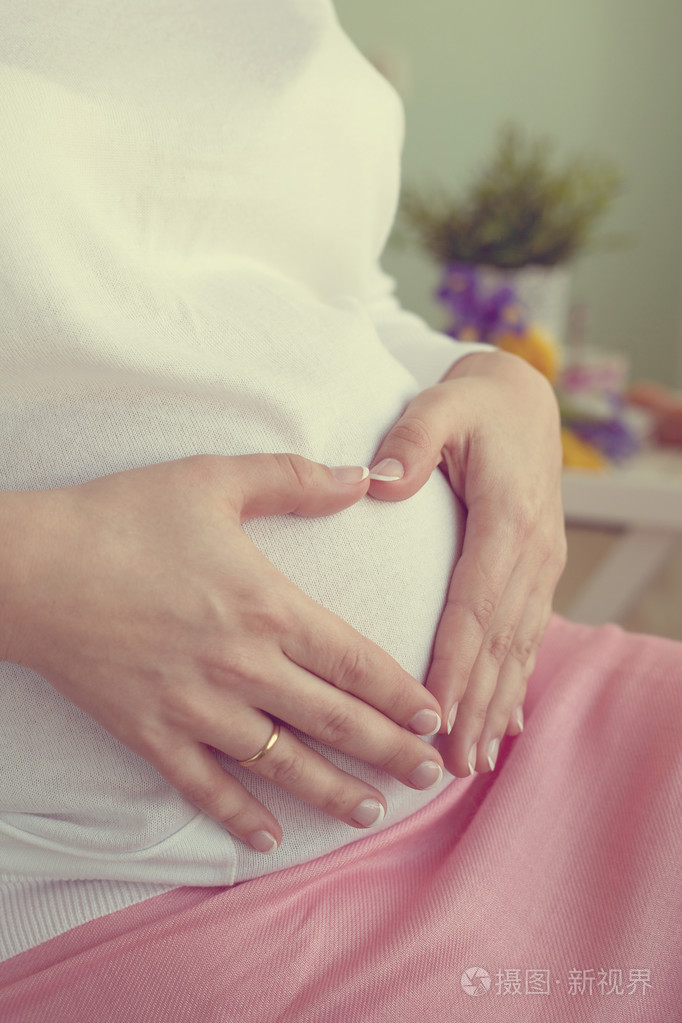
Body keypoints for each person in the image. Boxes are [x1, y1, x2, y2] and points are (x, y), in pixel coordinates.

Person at [0, 2, 679, 1020]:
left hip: (516, 728)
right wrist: (32, 569)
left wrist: (492, 378)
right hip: (137, 884)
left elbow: (331, 290)